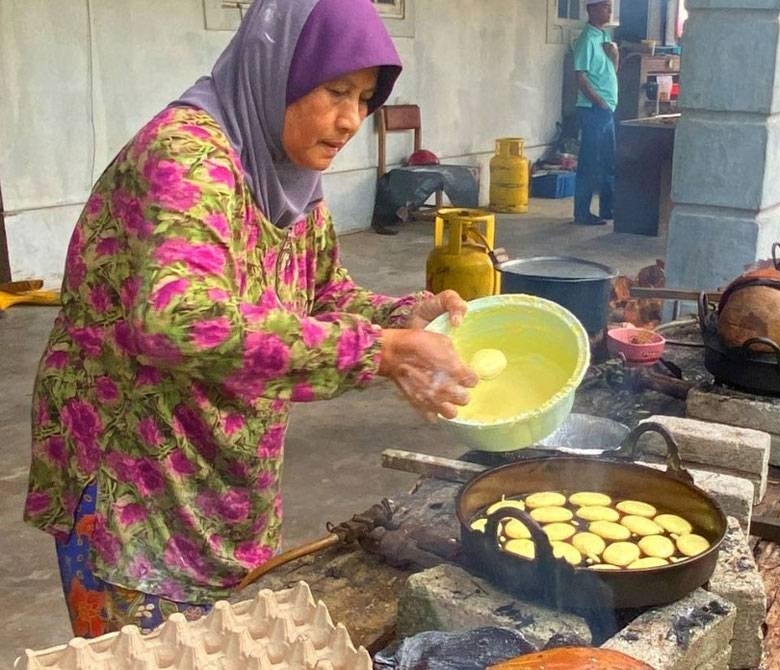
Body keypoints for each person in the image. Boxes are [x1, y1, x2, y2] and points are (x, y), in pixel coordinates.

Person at [23, 0, 477, 637]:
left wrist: (408, 319)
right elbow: (178, 319)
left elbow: (321, 293)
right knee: (148, 651)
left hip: (221, 472)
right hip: (137, 480)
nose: (351, 119)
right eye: (335, 90)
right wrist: (378, 350)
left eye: (365, 98)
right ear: (280, 69)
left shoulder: (289, 170)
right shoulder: (188, 157)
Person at [572, 0, 619, 226]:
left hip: (607, 108)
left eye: (610, 6)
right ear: (591, 9)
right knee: (590, 162)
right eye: (605, 6)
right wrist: (599, 102)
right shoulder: (586, 40)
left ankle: (607, 209)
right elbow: (580, 77)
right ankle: (582, 213)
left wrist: (615, 56)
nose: (609, 11)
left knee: (608, 161)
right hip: (593, 109)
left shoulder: (604, 37)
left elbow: (611, 71)